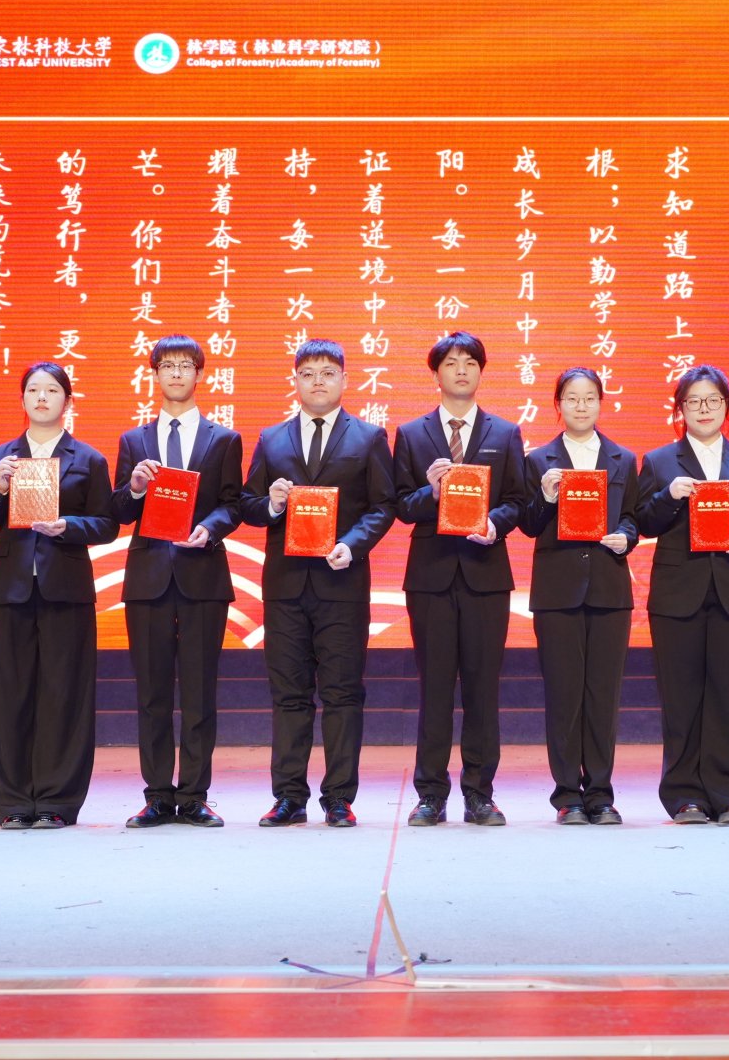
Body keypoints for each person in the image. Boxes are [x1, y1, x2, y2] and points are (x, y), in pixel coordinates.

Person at [240, 340, 396, 828]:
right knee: (289, 694)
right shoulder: (272, 439)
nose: (318, 381)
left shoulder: (369, 437)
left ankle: (339, 798)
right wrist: (272, 503)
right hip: (285, 587)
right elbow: (248, 505)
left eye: (328, 372)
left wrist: (353, 544)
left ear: (345, 380)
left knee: (343, 693)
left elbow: (383, 505)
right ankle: (289, 796)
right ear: (296, 382)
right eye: (308, 373)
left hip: (341, 583)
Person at [0, 362, 119, 829]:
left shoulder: (88, 459)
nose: (42, 397)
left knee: (64, 693)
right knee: (8, 695)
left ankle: (57, 800)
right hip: (10, 590)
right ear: (22, 399)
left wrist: (68, 526)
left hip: (66, 590)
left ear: (67, 401)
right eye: (33, 390)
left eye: (52, 390)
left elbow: (107, 524)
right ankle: (12, 801)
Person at [393, 332, 529, 827]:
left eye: (470, 362)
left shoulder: (505, 433)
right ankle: (430, 794)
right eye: (451, 363)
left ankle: (479, 794)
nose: (461, 370)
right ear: (437, 373)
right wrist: (429, 492)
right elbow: (400, 505)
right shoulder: (411, 434)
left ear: (481, 371)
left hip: (485, 576)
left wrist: (495, 524)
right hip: (430, 577)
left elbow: (518, 499)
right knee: (433, 689)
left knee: (482, 689)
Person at [111, 335, 243, 829]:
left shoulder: (223, 439)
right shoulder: (134, 441)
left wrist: (210, 528)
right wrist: (135, 488)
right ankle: (156, 796)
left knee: (200, 691)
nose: (176, 374)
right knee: (151, 694)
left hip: (202, 576)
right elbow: (119, 510)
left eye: (185, 365)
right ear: (155, 375)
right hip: (148, 578)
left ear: (199, 374)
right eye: (167, 366)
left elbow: (233, 503)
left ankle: (193, 796)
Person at [636, 366, 729, 826]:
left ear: (727, 406)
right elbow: (642, 521)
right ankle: (685, 796)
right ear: (680, 409)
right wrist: (668, 496)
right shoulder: (659, 461)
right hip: (677, 595)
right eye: (693, 401)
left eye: (713, 400)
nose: (703, 409)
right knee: (680, 699)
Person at [520, 368, 639, 825]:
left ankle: (602, 795)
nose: (582, 405)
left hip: (609, 588)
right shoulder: (539, 460)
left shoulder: (623, 458)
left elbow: (632, 517)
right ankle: (568, 795)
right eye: (572, 398)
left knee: (603, 696)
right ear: (558, 405)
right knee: (564, 694)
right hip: (557, 591)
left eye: (590, 397)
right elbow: (528, 524)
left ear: (601, 402)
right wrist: (546, 497)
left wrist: (626, 537)